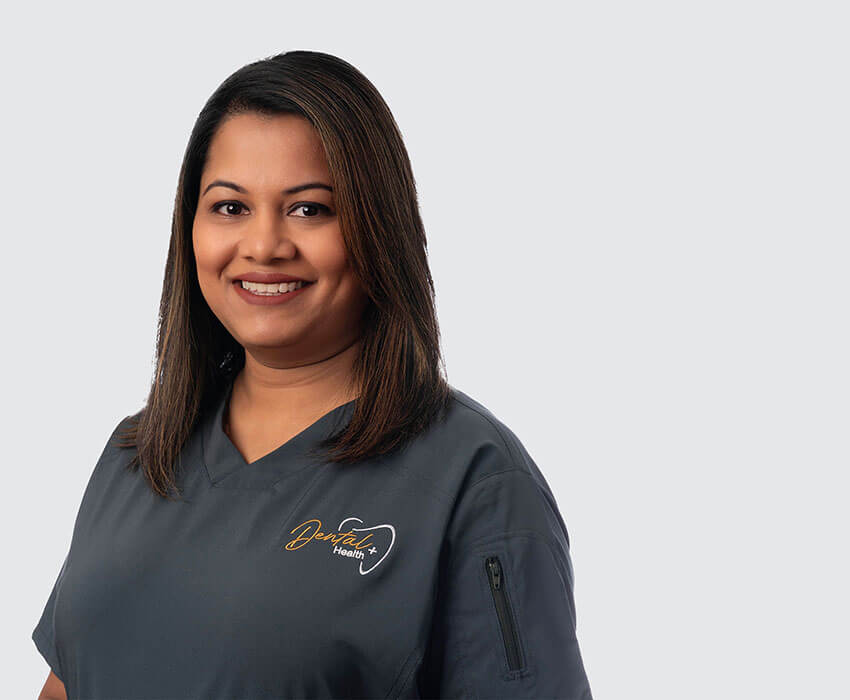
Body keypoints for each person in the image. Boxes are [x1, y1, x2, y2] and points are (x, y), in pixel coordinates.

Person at [32, 50, 593, 700]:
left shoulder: (474, 481)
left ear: (379, 228)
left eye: (309, 209)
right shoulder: (137, 455)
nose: (265, 244)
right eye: (230, 208)